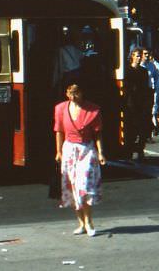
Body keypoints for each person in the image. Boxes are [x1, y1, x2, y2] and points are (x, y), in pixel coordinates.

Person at [54, 82, 105, 237]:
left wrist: (101, 152)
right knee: (72, 187)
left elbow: (98, 133)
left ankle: (89, 222)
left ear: (82, 93)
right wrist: (58, 151)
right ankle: (81, 223)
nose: (73, 96)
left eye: (76, 93)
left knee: (84, 186)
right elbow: (59, 131)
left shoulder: (93, 109)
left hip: (86, 149)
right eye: (70, 93)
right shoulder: (60, 108)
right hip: (69, 149)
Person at [123, 48, 151, 161]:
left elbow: (146, 87)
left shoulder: (144, 71)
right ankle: (129, 151)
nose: (139, 58)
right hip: (131, 102)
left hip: (142, 102)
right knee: (131, 129)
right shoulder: (127, 70)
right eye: (137, 56)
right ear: (132, 57)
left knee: (143, 129)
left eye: (140, 56)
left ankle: (140, 150)